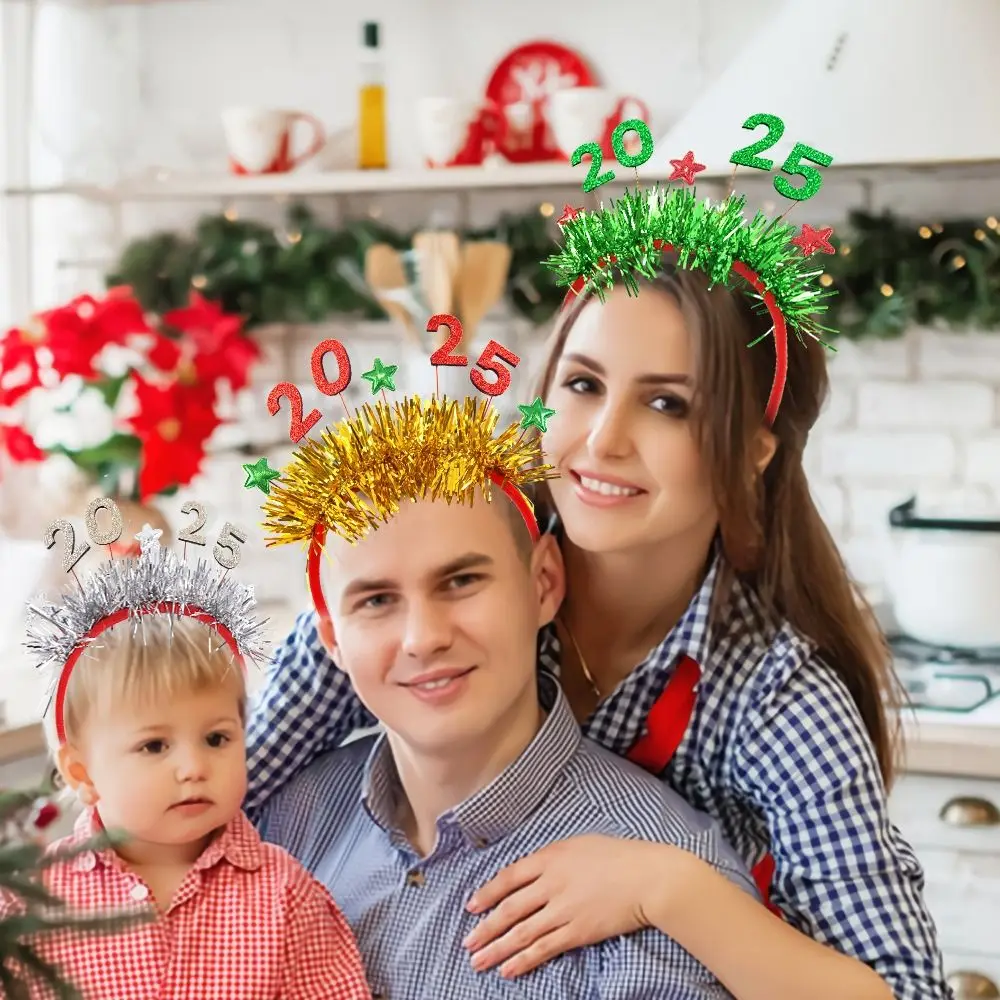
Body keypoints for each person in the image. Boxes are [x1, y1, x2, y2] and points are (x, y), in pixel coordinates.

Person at [245, 268, 948, 1000]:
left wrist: (669, 887)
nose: (604, 438)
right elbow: (212, 807)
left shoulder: (776, 698)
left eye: (668, 404)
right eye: (582, 385)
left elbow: (909, 992)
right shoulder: (445, 554)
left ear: (750, 452)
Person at [252, 480, 765, 999]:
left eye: (460, 581)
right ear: (334, 640)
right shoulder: (282, 824)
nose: (423, 637)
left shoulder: (661, 899)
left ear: (542, 583)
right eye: (378, 600)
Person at [5, 542, 371, 1000]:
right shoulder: (30, 905)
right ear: (83, 773)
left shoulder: (288, 896)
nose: (194, 767)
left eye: (217, 739)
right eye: (154, 745)